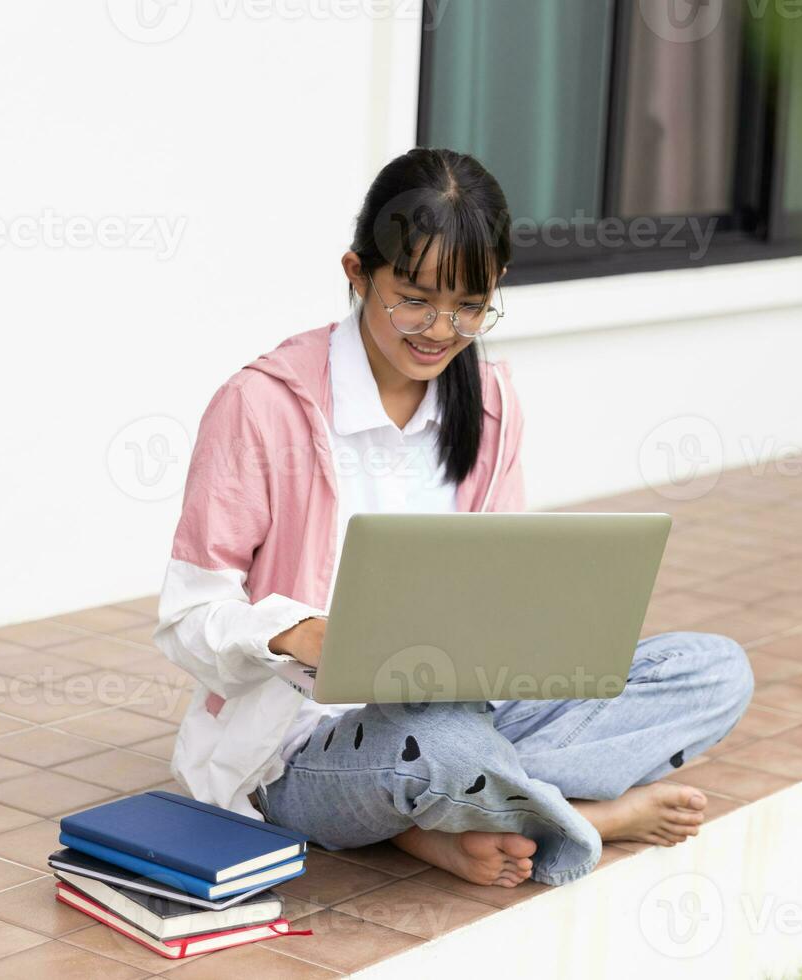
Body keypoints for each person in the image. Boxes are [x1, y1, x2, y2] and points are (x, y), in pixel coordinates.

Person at [154, 147, 753, 887]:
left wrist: (548, 634)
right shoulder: (261, 406)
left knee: (715, 671)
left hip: (470, 704)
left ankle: (441, 817)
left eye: (470, 306)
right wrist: (299, 634)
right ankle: (583, 818)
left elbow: (501, 583)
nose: (440, 328)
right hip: (307, 739)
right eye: (414, 298)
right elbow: (187, 617)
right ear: (356, 272)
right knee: (436, 748)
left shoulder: (491, 403)